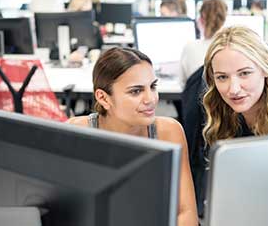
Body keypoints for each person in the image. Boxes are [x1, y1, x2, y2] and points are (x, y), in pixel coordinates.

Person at [66, 47, 198, 226]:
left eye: (152, 86)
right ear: (104, 98)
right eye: (136, 91)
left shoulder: (169, 132)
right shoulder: (76, 134)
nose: (150, 99)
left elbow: (186, 212)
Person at [179, 0, 227, 84]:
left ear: (201, 20)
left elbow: (182, 83)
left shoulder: (190, 47)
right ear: (224, 20)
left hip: (196, 97)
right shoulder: (232, 48)